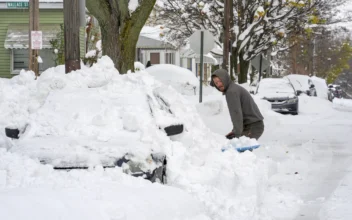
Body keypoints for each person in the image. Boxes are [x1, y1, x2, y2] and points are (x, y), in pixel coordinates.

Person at [210, 69, 264, 140]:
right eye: (216, 83)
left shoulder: (231, 92)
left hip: (252, 127)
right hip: (252, 126)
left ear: (225, 79)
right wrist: (234, 132)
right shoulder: (233, 88)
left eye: (220, 81)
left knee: (238, 149)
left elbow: (236, 114)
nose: (219, 85)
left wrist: (237, 134)